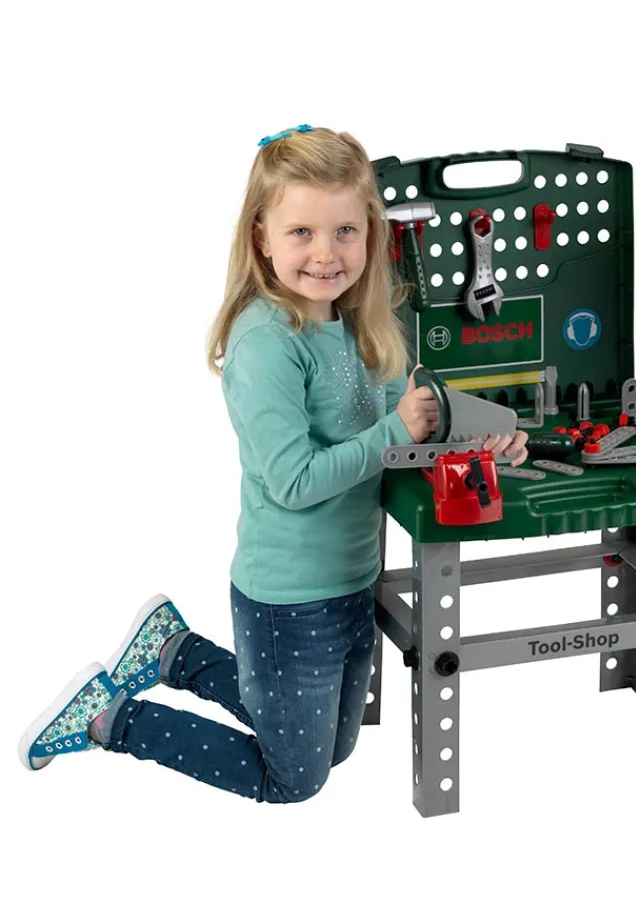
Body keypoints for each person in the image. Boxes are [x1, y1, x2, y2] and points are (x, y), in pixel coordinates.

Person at [19, 125, 528, 799]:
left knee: (333, 750)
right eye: (302, 233)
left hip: (353, 577)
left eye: (345, 231)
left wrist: (475, 440)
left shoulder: (363, 321)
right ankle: (108, 718)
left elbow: (398, 435)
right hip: (289, 600)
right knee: (292, 777)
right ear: (262, 237)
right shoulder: (266, 343)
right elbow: (294, 481)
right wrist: (395, 428)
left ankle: (174, 651)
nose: (326, 253)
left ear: (370, 234)